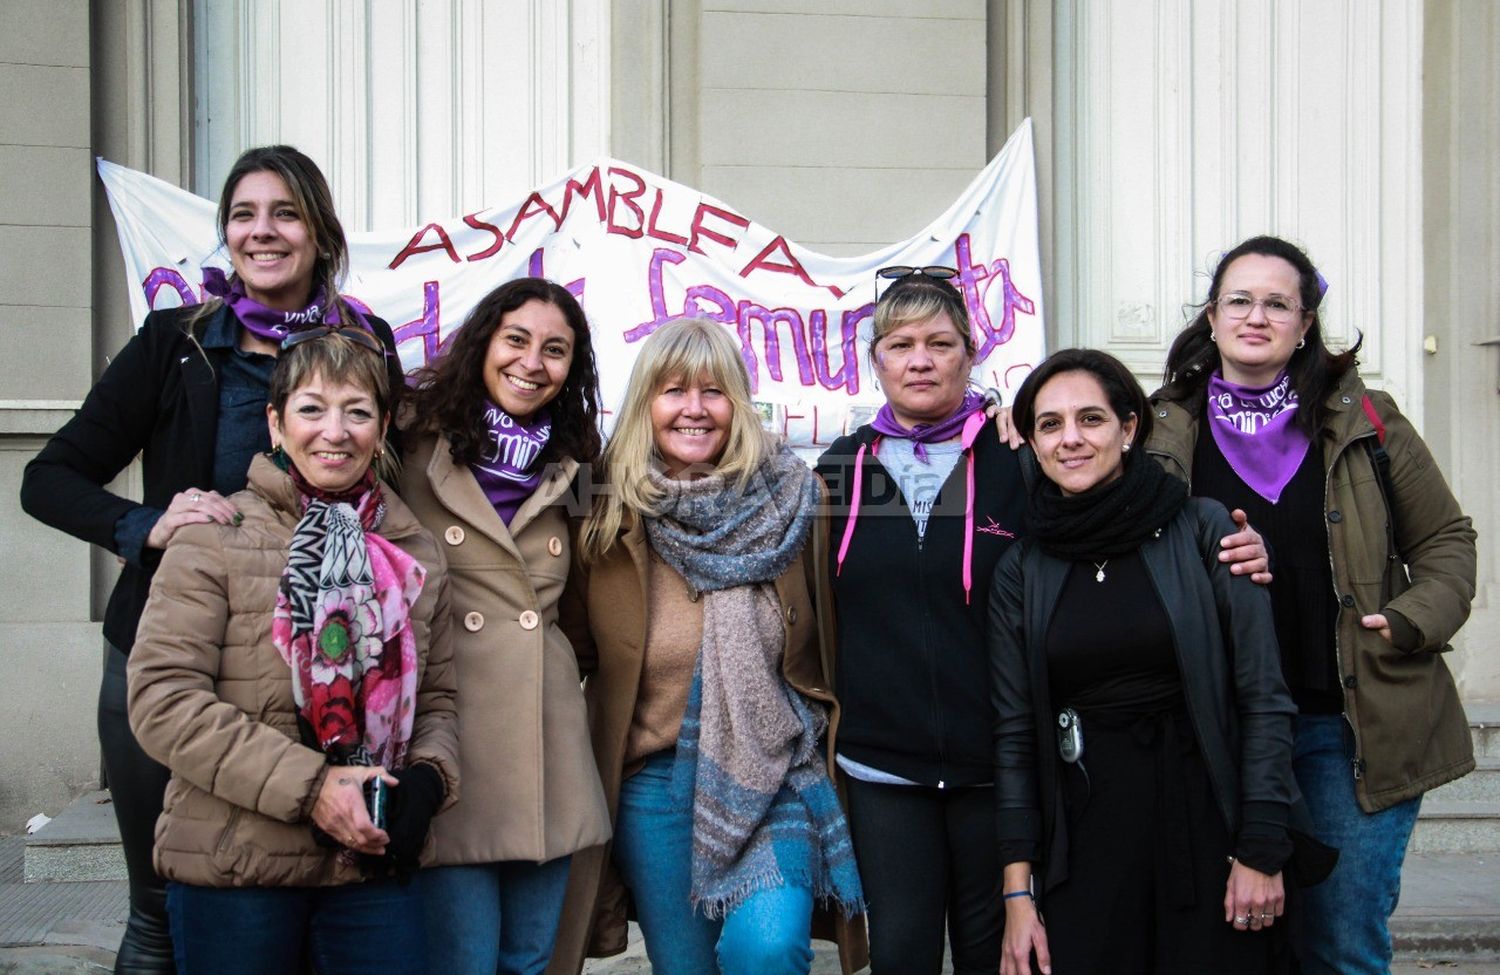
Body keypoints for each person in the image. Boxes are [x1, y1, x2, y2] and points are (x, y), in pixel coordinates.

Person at [19, 144, 405, 975]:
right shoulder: (175, 343)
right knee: (164, 912)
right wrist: (147, 525)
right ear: (225, 234)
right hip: (173, 665)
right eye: (243, 214)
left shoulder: (367, 343)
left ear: (320, 232)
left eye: (285, 213)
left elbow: (401, 487)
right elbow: (48, 479)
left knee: (308, 908)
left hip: (325, 673)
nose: (262, 232)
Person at [1147, 235, 1478, 974]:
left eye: (1277, 303)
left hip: (1349, 726)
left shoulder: (1367, 417)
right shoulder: (1162, 427)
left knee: (1337, 944)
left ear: (1305, 323)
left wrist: (1411, 618)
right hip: (1219, 728)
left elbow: (1448, 539)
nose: (1256, 316)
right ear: (1211, 316)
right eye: (1240, 299)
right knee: (1232, 948)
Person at [125, 328, 457, 974]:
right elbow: (162, 701)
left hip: (372, 871)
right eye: (311, 409)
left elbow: (439, 701)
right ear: (276, 424)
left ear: (383, 426)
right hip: (239, 872)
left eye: (357, 411)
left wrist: (428, 779)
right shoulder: (216, 538)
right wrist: (313, 789)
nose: (334, 431)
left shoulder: (413, 551)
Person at [558, 317, 865, 975]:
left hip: (775, 765)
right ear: (646, 403)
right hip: (655, 786)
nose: (694, 409)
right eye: (673, 391)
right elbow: (577, 652)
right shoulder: (606, 511)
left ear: (740, 403)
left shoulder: (796, 500)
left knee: (767, 946)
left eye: (714, 391)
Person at [991, 347, 1301, 975]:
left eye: (1091, 419)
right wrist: (1019, 893)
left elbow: (1262, 694)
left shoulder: (1205, 530)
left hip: (1207, 824)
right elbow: (1015, 732)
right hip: (1084, 834)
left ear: (1129, 429)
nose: (1070, 439)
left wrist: (1262, 847)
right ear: (1031, 441)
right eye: (1050, 425)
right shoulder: (1023, 569)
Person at [812, 268, 1026, 974]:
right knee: (900, 953)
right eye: (900, 344)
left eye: (939, 342)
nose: (921, 359)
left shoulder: (1017, 460)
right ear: (876, 362)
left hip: (995, 766)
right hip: (881, 768)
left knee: (991, 954)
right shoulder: (840, 470)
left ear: (970, 353)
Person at [397, 277, 611, 975]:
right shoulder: (411, 441)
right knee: (461, 961)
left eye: (555, 350)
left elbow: (601, 581)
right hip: (448, 740)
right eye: (515, 339)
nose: (532, 362)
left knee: (531, 961)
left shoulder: (579, 463)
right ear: (483, 341)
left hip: (545, 744)